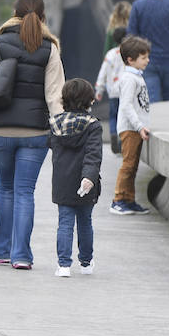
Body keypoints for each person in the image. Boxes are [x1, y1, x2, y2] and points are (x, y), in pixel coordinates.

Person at [0, 0, 64, 268]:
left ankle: (0, 250)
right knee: (25, 191)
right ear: (43, 15)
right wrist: (61, 132)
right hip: (35, 132)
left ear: (14, 12)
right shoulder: (50, 48)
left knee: (6, 189)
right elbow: (54, 96)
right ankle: (21, 256)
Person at [50, 78, 102, 278]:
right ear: (89, 101)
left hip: (62, 182)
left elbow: (51, 145)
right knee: (85, 222)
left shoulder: (55, 124)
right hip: (85, 183)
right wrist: (88, 177)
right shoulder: (93, 126)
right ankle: (86, 263)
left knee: (64, 223)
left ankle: (63, 265)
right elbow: (93, 154)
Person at [110, 35, 152, 216]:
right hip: (130, 128)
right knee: (128, 164)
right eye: (143, 58)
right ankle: (118, 200)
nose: (147, 61)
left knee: (133, 165)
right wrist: (139, 126)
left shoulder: (137, 77)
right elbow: (126, 105)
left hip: (136, 128)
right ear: (130, 59)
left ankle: (129, 199)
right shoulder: (129, 79)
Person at [94, 26, 125, 154]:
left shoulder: (110, 54)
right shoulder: (129, 54)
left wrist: (99, 89)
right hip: (125, 91)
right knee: (124, 117)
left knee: (113, 116)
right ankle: (121, 141)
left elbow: (103, 72)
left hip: (112, 92)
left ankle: (112, 133)